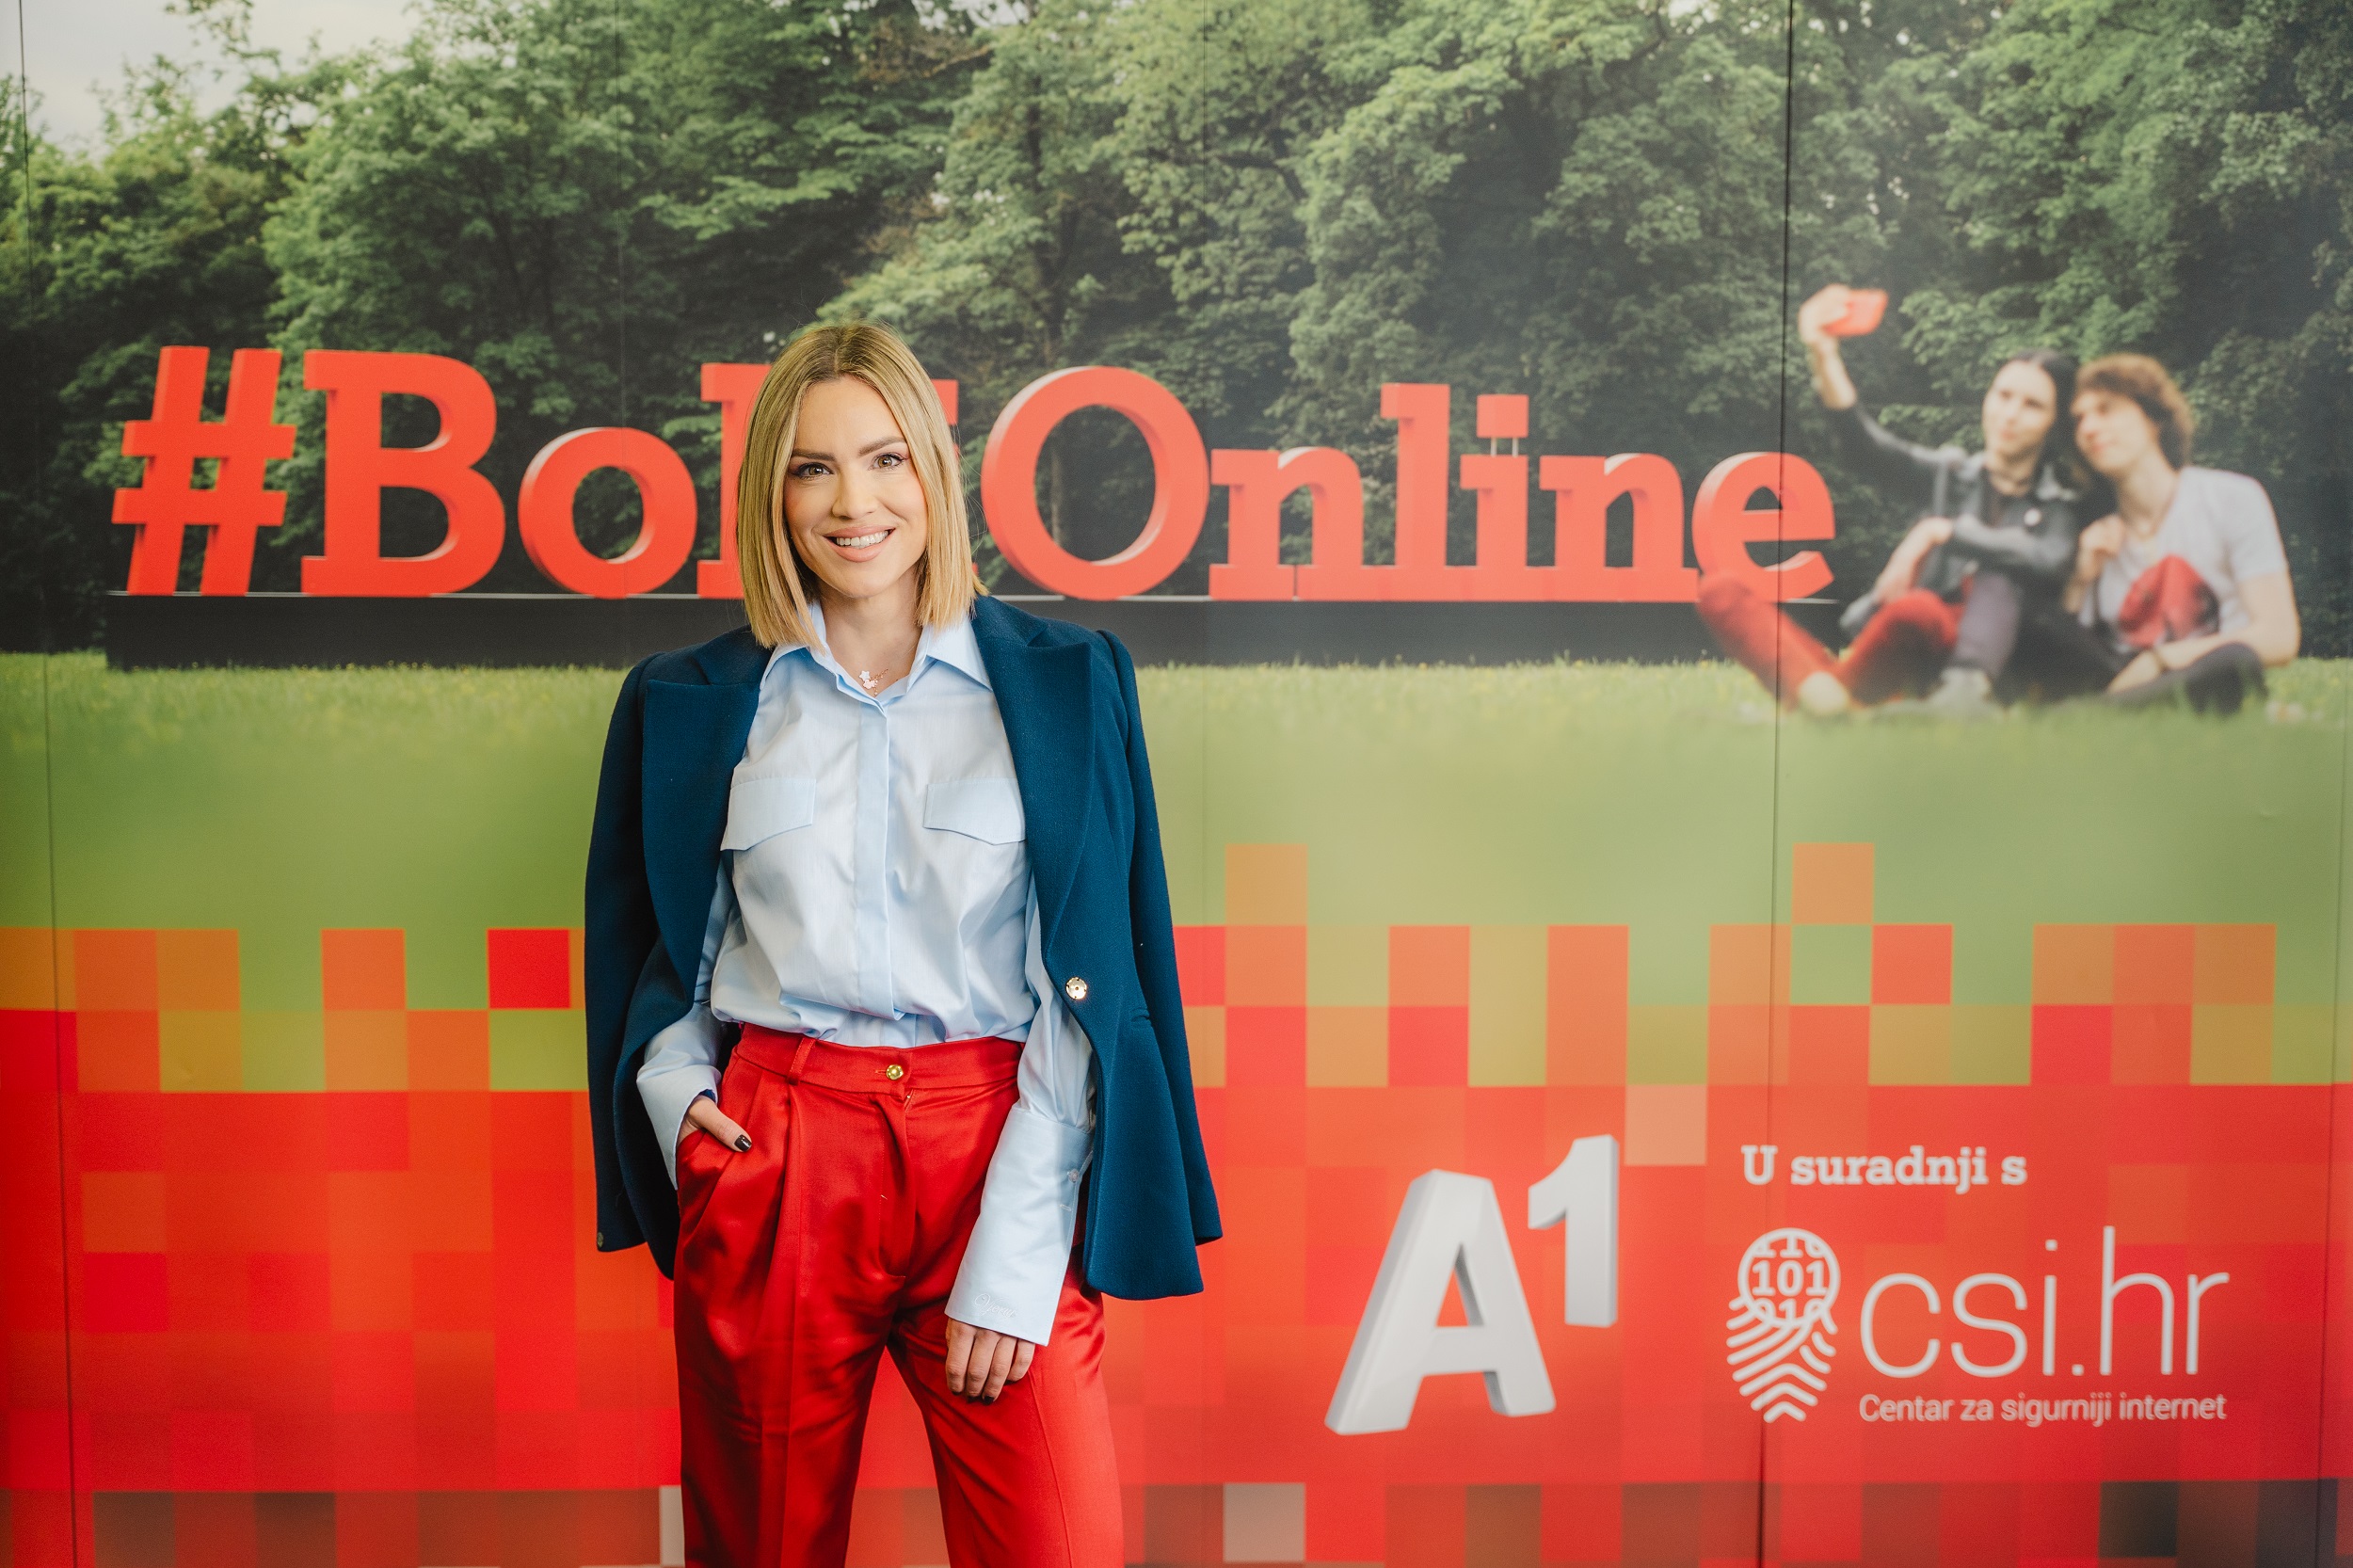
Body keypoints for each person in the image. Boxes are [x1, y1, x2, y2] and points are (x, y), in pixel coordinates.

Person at [583, 322, 1219, 1567]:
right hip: (778, 1152)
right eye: (813, 468)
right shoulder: (688, 697)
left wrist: (1019, 1244)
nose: (853, 502)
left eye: (884, 459)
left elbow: (1095, 970)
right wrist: (684, 1105)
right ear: (772, 495)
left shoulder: (1072, 679)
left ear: (934, 470)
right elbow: (655, 945)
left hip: (999, 1141)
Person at [1698, 283, 2097, 716]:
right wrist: (1823, 355)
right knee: (1720, 592)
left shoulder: (2059, 505)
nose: (2010, 415)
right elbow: (1866, 450)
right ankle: (1830, 700)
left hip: (1970, 661)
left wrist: (1941, 531)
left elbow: (2049, 558)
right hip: (1897, 644)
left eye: (2032, 405)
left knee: (1919, 613)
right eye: (2002, 396)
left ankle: (1823, 700)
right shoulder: (1950, 474)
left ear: (2054, 423)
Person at [2056, 353, 2298, 712]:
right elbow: (2068, 657)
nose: (2088, 428)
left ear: (2153, 419)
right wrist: (2080, 580)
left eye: (2106, 410)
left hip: (2211, 678)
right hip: (2120, 681)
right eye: (2079, 419)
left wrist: (2160, 660)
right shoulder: (2093, 531)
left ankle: (2093, 715)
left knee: (2234, 662)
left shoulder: (2231, 498)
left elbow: (2279, 637)